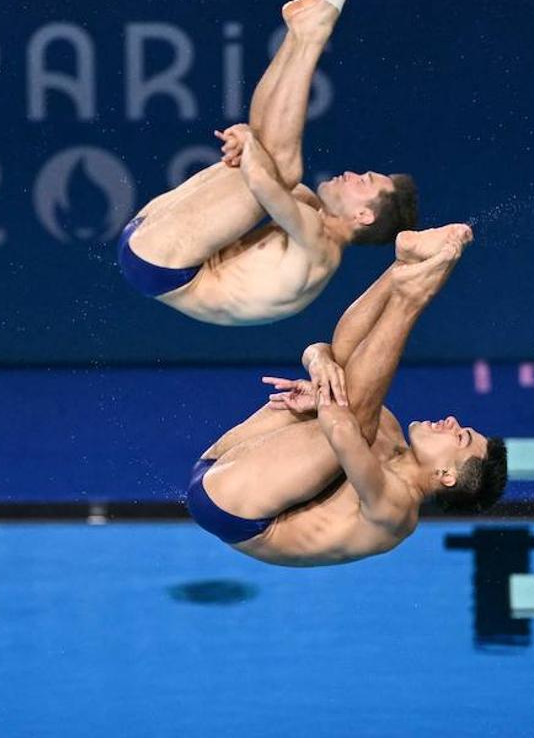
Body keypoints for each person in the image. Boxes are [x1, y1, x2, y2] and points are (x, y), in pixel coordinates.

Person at [186, 224, 508, 567]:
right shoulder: (389, 428)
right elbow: (324, 353)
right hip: (218, 464)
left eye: (461, 437)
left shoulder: (397, 513)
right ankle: (402, 265)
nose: (453, 421)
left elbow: (343, 432)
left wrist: (322, 396)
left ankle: (410, 299)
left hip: (235, 510)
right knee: (343, 381)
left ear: (447, 475)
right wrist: (318, 365)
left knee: (354, 419)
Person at [117, 0, 417, 326]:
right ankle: (300, 36)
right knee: (276, 164)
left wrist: (246, 141)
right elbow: (263, 168)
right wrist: (248, 141)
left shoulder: (321, 250)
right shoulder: (307, 206)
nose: (352, 174)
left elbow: (263, 184)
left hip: (163, 263)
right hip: (153, 240)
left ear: (363, 217)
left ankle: (310, 36)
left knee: (282, 169)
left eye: (365, 181)